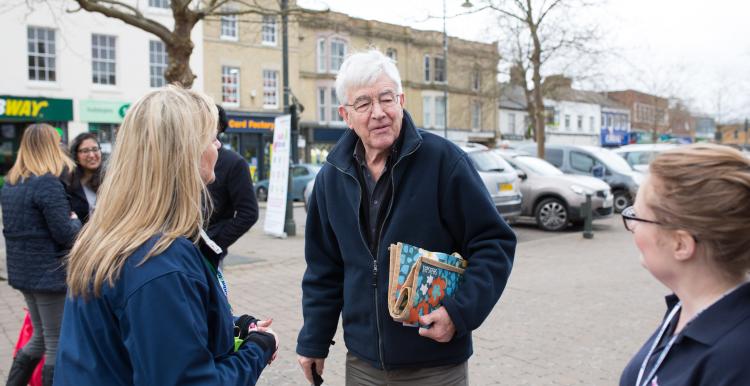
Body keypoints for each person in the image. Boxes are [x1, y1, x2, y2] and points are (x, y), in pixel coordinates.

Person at [296, 49, 516, 385]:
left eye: (387, 99)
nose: (379, 113)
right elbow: (324, 269)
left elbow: (493, 243)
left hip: (435, 362)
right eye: (364, 104)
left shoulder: (445, 162)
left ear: (402, 100)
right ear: (345, 114)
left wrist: (459, 313)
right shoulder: (331, 176)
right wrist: (313, 341)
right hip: (363, 363)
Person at [55, 85, 278, 385]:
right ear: (187, 151)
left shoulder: (115, 235)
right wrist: (258, 350)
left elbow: (154, 336)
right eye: (212, 138)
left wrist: (234, 328)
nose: (217, 147)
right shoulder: (158, 263)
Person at [619, 144, 750, 386]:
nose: (632, 227)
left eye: (637, 217)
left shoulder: (737, 363)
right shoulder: (684, 309)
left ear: (680, 244)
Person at [1, 123, 81, 386]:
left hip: (24, 273)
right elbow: (66, 234)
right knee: (56, 342)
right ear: (49, 147)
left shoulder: (11, 184)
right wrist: (76, 221)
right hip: (48, 274)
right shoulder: (47, 183)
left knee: (39, 336)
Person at [200, 105, 259, 268]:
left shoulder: (234, 163)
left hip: (208, 256)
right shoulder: (183, 160)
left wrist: (213, 243)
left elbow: (249, 213)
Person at [65, 132, 103, 223]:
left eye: (95, 149)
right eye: (85, 151)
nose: (91, 155)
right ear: (76, 155)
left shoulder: (110, 179)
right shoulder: (68, 183)